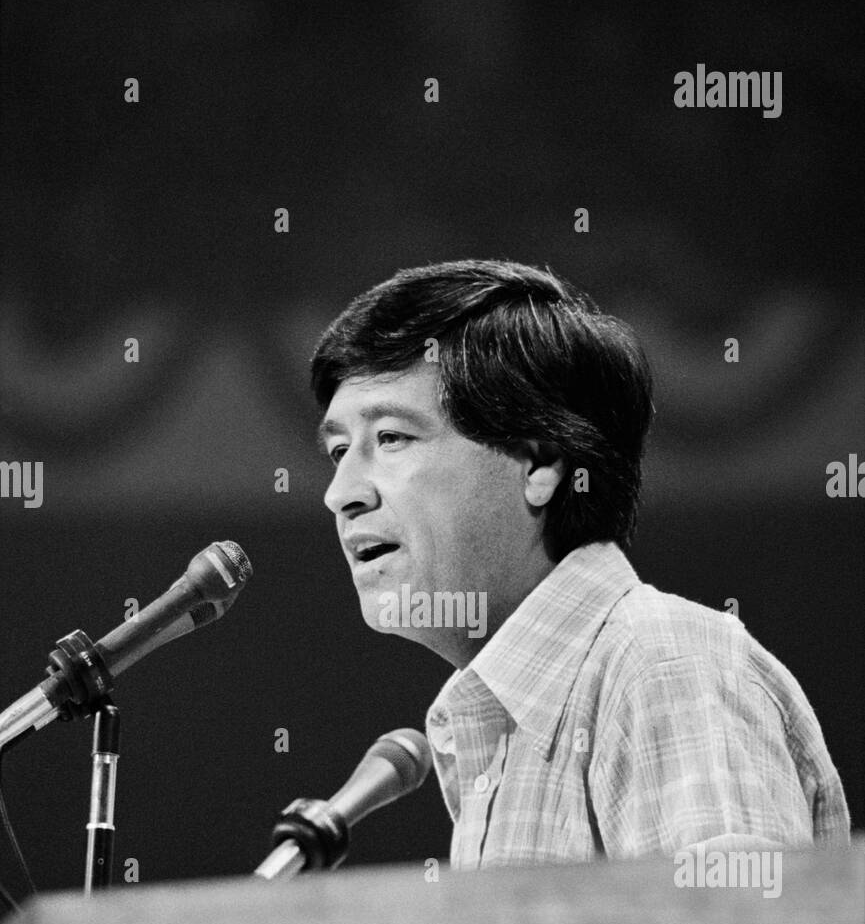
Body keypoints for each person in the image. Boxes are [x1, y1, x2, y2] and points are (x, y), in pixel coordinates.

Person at [310, 258, 850, 870]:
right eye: (336, 451)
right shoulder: (502, 727)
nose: (342, 492)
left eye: (391, 439)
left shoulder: (663, 665)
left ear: (539, 465)